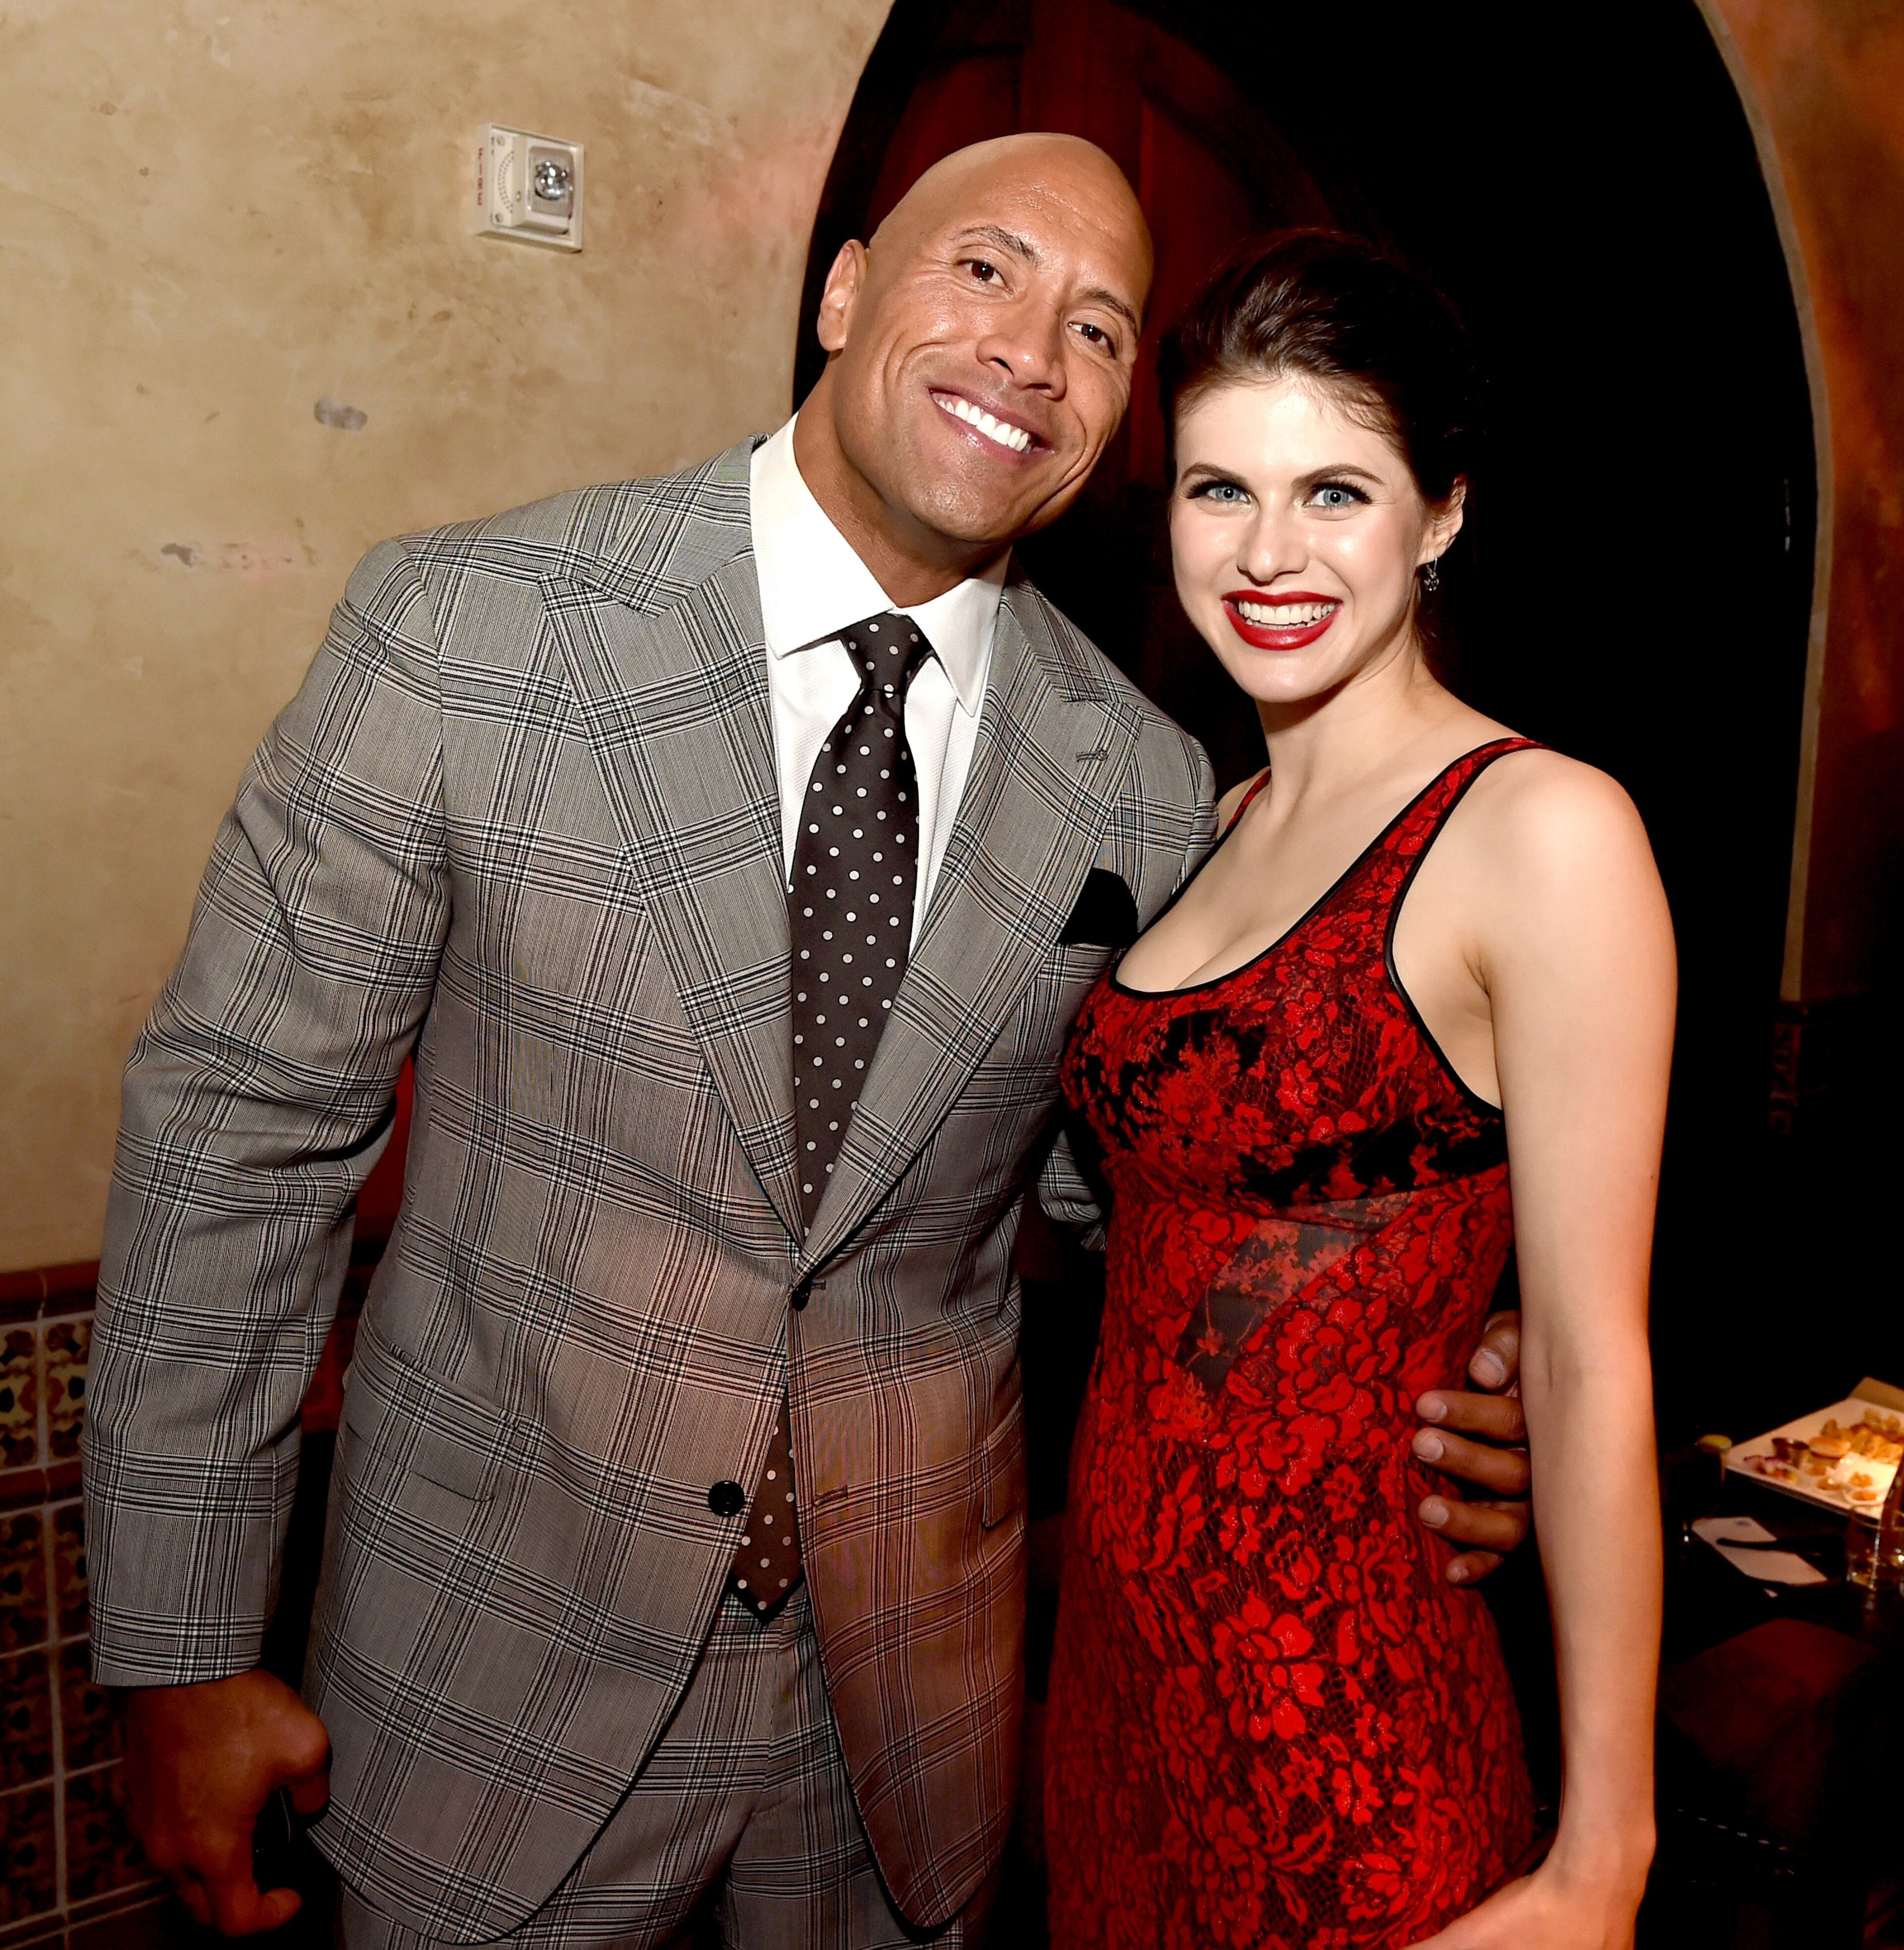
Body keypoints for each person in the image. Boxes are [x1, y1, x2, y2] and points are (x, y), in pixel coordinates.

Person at [84, 146, 1533, 1950]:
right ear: (844, 292)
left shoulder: (1142, 780)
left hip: (900, 1756)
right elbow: (243, 1132)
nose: (1030, 354)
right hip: (490, 1700)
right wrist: (174, 1647)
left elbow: (1175, 1198)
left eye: (1094, 328)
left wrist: (1455, 1341)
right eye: (985, 273)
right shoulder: (472, 631)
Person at [1043, 232, 1671, 1950]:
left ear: (1443, 511)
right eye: (1218, 489)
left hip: (1345, 1734)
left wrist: (1602, 1862)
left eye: (1335, 491)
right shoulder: (1220, 822)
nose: (1264, 554)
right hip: (1113, 1717)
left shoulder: (1541, 832)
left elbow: (1592, 1356)